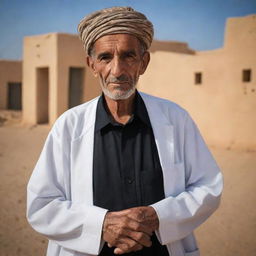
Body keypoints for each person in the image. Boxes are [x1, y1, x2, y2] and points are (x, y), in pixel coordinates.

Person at [27, 6, 223, 256]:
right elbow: (41, 205)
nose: (117, 70)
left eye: (129, 56)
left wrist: (157, 216)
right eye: (105, 57)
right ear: (92, 64)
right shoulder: (68, 126)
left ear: (144, 62)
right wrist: (102, 225)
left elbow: (208, 186)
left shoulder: (175, 119)